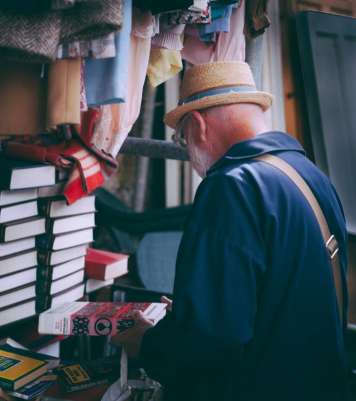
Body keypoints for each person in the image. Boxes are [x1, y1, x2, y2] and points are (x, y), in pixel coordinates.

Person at [112, 61, 349, 401]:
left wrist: (145, 342)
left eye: (182, 138)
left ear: (198, 125)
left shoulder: (232, 186)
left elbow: (209, 342)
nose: (187, 149)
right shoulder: (311, 176)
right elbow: (282, 300)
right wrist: (194, 309)